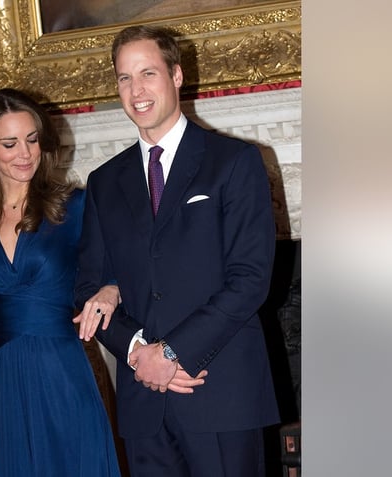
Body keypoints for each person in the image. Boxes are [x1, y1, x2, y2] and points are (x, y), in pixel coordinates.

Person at [74, 25, 280, 476]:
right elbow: (89, 287)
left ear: (177, 75)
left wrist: (171, 353)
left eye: (148, 73)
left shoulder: (235, 162)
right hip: (144, 403)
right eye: (124, 78)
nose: (136, 90)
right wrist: (137, 352)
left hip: (219, 393)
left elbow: (250, 280)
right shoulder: (104, 183)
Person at [0, 88, 121, 476]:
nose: (25, 154)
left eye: (32, 140)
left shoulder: (74, 207)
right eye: (10, 144)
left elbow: (119, 268)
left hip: (63, 372)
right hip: (3, 387)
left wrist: (112, 289)